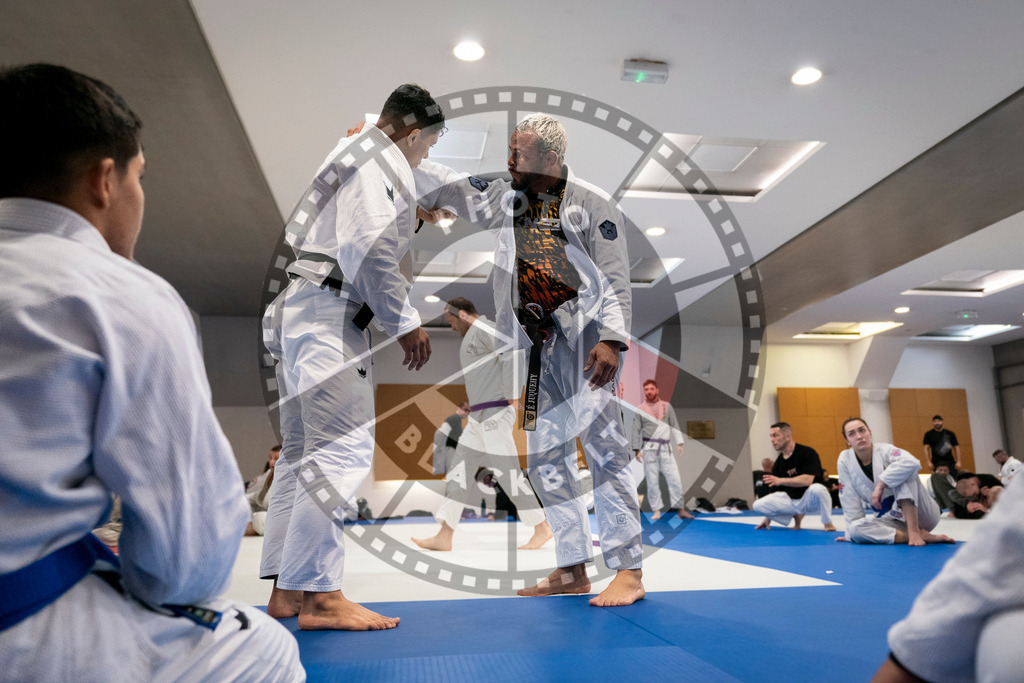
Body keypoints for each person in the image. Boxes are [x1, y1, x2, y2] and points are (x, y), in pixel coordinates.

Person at [0, 64, 303, 680]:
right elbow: (183, 564)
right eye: (141, 178)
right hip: (25, 632)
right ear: (104, 179)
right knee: (263, 648)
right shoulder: (116, 292)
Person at [415, 114, 644, 607]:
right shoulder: (511, 197)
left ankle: (629, 571)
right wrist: (390, 153)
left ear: (551, 158)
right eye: (510, 150)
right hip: (539, 349)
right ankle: (572, 567)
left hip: (587, 343)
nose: (509, 160)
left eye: (518, 153)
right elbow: (455, 188)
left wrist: (613, 341)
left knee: (605, 453)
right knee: (546, 460)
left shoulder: (591, 203)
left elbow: (615, 277)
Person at [260, 84, 443, 631]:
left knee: (300, 454)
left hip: (303, 309)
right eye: (426, 146)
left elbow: (436, 184)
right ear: (411, 134)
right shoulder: (377, 158)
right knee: (339, 454)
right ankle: (320, 596)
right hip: (332, 314)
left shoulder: (359, 148)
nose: (425, 157)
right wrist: (405, 322)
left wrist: (423, 201)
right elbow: (371, 246)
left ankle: (288, 592)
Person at [413, 298, 552, 551]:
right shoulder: (472, 337)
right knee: (459, 472)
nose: (452, 327)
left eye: (452, 321)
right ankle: (445, 535)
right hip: (477, 417)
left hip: (496, 413)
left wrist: (512, 393)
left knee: (507, 473)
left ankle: (541, 527)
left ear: (463, 314)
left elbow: (512, 353)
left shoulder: (487, 329)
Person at [874, 477, 1024, 683]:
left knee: (1007, 644)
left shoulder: (991, 486)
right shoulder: (954, 491)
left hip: (926, 518)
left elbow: (987, 569)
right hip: (901, 519)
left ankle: (917, 532)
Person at [836, 418, 953, 546]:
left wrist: (882, 483)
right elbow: (848, 497)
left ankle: (914, 532)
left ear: (869, 432)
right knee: (855, 529)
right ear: (847, 440)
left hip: (922, 513)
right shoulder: (845, 460)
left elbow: (912, 462)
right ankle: (917, 535)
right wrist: (851, 534)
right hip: (891, 519)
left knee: (904, 471)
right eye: (852, 434)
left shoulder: (885, 450)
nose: (859, 436)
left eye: (862, 430)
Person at [752, 423, 836, 531]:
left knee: (818, 489)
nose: (772, 440)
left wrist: (781, 480)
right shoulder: (778, 463)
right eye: (771, 436)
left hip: (809, 500)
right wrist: (767, 519)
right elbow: (775, 493)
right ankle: (796, 517)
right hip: (791, 503)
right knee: (758, 505)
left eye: (775, 435)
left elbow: (808, 480)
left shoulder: (808, 453)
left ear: (787, 436)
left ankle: (827, 523)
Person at [630, 379, 691, 520]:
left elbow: (674, 426)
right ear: (644, 391)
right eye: (646, 389)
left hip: (665, 448)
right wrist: (636, 450)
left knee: (675, 479)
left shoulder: (666, 406)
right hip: (649, 449)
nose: (649, 392)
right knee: (652, 481)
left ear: (657, 390)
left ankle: (680, 509)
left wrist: (680, 443)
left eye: (652, 389)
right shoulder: (640, 409)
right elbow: (636, 430)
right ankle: (656, 510)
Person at [245, 445, 282, 536]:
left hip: (279, 518)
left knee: (259, 518)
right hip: (264, 514)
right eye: (270, 458)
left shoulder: (289, 477)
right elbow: (257, 496)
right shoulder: (269, 474)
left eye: (276, 458)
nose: (272, 462)